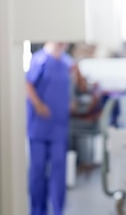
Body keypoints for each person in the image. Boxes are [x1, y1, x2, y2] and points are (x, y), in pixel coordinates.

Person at [25, 42, 76, 215]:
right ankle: (38, 210)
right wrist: (38, 105)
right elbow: (27, 84)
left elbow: (71, 85)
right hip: (39, 126)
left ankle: (58, 210)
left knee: (59, 169)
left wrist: (71, 102)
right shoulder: (39, 60)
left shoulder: (66, 62)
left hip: (59, 126)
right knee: (38, 170)